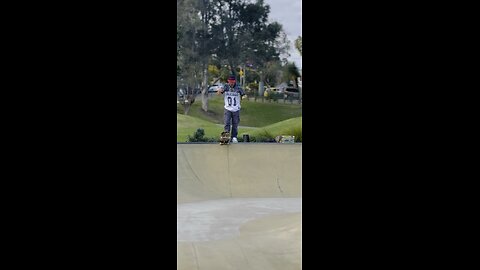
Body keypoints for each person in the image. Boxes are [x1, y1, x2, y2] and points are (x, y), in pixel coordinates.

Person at [217, 75, 245, 143]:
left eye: (232, 82)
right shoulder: (226, 86)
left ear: (234, 81)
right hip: (227, 108)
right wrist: (219, 91)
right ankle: (226, 136)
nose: (231, 83)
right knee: (227, 123)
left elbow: (243, 94)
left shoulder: (238, 88)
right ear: (228, 82)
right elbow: (219, 92)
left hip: (236, 109)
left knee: (235, 124)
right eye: (230, 82)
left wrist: (243, 96)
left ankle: (234, 137)